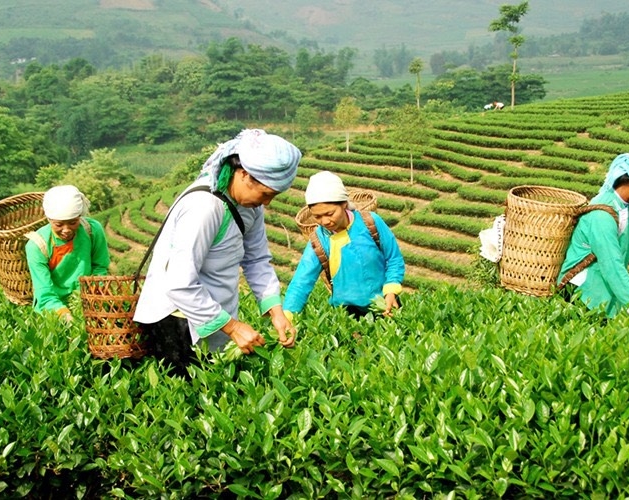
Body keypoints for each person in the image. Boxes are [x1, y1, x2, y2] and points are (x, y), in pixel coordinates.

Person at [134, 129, 301, 375]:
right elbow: (179, 283)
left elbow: (256, 260)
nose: (267, 203)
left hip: (216, 316)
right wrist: (233, 328)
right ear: (244, 175)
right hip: (177, 320)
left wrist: (277, 312)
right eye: (265, 194)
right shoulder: (203, 207)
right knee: (189, 402)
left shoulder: (249, 207)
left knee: (214, 396)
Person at [557, 150, 629, 317]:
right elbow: (612, 265)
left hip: (602, 289)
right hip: (581, 292)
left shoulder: (627, 208)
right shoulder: (601, 214)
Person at [283, 171, 405, 321]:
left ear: (344, 204)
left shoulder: (370, 223)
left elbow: (394, 259)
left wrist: (391, 290)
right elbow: (302, 281)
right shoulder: (319, 240)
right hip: (347, 315)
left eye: (330, 213)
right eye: (317, 217)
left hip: (385, 305)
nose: (325, 221)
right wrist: (287, 316)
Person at [26, 185, 111, 323]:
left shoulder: (92, 230)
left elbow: (100, 267)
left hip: (88, 302)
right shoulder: (37, 245)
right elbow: (44, 291)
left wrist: (93, 297)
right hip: (51, 306)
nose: (66, 230)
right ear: (48, 219)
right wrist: (63, 313)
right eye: (58, 225)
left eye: (73, 222)